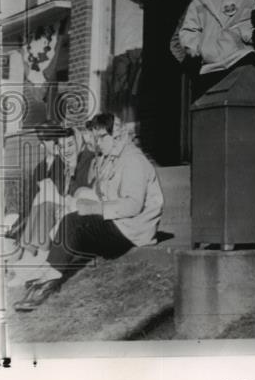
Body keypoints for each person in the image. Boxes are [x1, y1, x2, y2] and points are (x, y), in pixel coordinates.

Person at [13, 114, 164, 311]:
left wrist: (95, 208)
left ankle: (47, 283)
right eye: (95, 137)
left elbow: (133, 206)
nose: (97, 142)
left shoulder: (133, 161)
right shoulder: (111, 158)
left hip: (131, 230)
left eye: (101, 137)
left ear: (117, 136)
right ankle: (47, 269)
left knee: (72, 223)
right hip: (118, 223)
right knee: (72, 221)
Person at [5, 123, 95, 279]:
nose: (65, 149)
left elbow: (82, 192)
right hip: (56, 208)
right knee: (42, 199)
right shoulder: (55, 165)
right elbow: (31, 199)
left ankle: (36, 255)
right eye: (61, 145)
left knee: (45, 199)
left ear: (79, 141)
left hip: (80, 209)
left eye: (70, 144)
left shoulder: (83, 161)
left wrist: (63, 198)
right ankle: (29, 254)